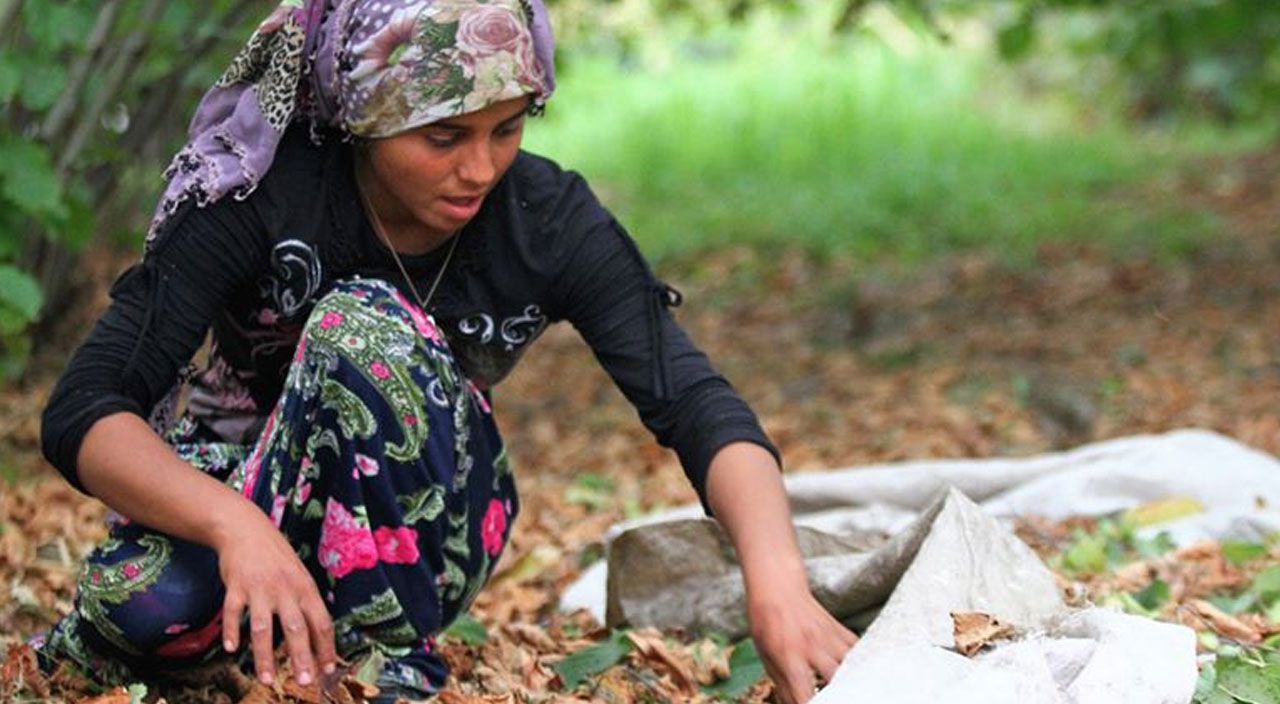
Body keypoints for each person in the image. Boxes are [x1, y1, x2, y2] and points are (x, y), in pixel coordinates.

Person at [36, 0, 856, 702]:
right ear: (363, 119)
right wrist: (234, 525)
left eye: (507, 130)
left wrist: (777, 584)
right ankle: (281, 629)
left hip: (429, 515)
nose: (479, 169)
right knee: (138, 604)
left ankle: (393, 659)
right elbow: (88, 408)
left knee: (358, 325)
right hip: (250, 481)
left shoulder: (546, 218)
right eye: (444, 137)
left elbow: (694, 402)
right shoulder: (258, 194)